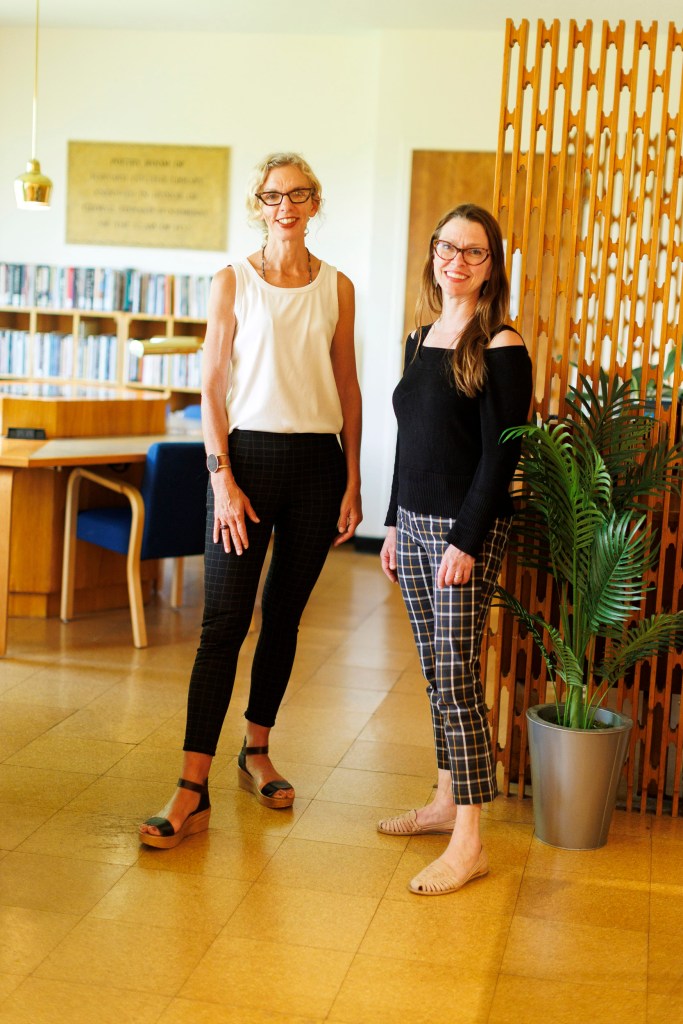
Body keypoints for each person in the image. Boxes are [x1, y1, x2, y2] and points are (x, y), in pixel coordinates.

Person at [140, 152, 362, 849]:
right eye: (272, 196)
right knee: (222, 625)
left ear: (315, 203)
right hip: (245, 462)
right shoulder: (231, 280)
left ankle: (255, 749)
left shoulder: (338, 287)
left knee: (285, 617)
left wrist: (354, 480)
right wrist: (220, 480)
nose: (285, 206)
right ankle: (189, 786)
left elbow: (347, 386)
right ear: (259, 205)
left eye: (298, 194)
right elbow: (209, 388)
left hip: (317, 467)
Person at [378, 203, 532, 895]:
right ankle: (444, 801)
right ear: (432, 254)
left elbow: (501, 458)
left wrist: (464, 541)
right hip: (408, 524)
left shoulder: (500, 342)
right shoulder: (418, 338)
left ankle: (469, 840)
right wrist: (388, 523)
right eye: (448, 247)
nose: (457, 261)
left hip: (461, 532)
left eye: (473, 252)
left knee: (459, 681)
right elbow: (410, 442)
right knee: (438, 676)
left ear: (490, 265)